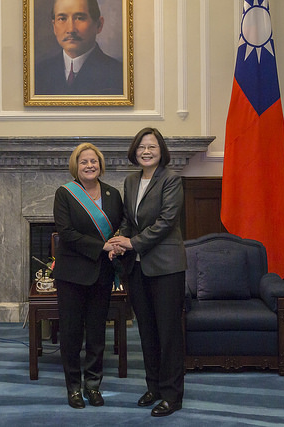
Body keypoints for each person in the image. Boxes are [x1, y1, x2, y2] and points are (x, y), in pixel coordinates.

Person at [107, 127, 187, 417]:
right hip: (138, 268)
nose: (146, 151)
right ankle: (153, 387)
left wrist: (133, 242)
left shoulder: (171, 180)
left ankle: (172, 395)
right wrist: (119, 242)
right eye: (141, 147)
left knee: (168, 333)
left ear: (161, 151)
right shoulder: (131, 181)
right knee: (147, 331)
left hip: (166, 267)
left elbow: (166, 222)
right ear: (134, 151)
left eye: (152, 146)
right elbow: (129, 221)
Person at [52, 143, 123, 409]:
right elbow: (66, 233)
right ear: (76, 166)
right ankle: (73, 387)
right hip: (71, 275)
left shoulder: (113, 194)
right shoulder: (65, 194)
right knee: (71, 334)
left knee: (96, 334)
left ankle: (93, 385)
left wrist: (118, 243)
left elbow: (121, 226)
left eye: (94, 161)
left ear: (100, 165)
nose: (89, 166)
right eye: (84, 162)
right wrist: (103, 246)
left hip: (102, 274)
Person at [35, 0, 123, 96]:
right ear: (54, 27)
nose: (71, 29)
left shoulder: (118, 74)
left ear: (99, 25)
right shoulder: (39, 72)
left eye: (79, 18)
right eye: (62, 19)